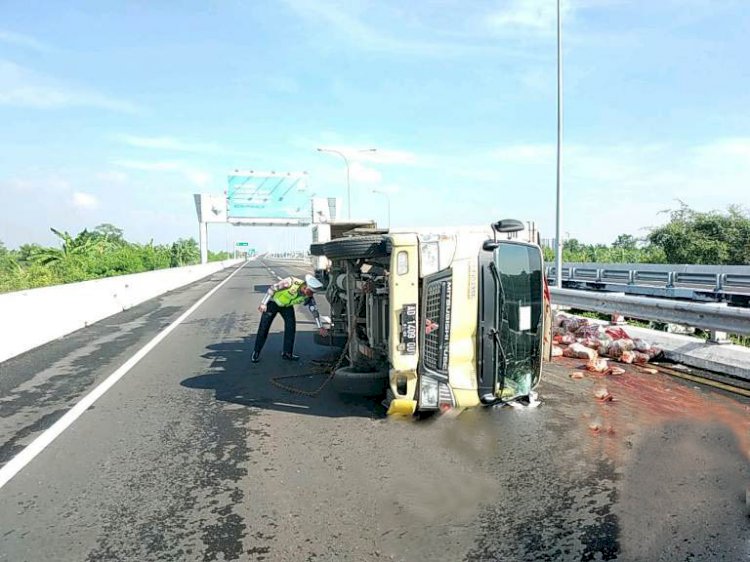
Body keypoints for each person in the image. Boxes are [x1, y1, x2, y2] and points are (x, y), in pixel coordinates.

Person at [251, 273, 327, 363]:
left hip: (287, 306)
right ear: (305, 287)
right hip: (272, 303)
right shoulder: (290, 282)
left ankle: (287, 353)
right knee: (264, 327)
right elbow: (273, 288)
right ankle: (256, 351)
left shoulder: (308, 296)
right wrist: (263, 303)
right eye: (310, 292)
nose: (310, 295)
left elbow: (314, 310)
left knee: (291, 327)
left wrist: (320, 326)